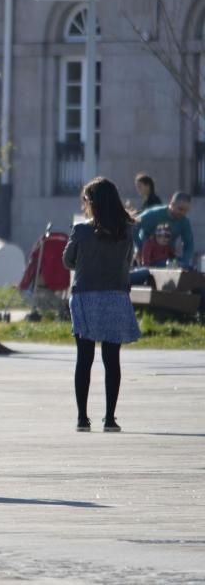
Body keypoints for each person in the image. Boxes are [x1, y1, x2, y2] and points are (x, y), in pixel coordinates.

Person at [63, 177, 141, 433]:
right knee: (112, 359)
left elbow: (68, 260)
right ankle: (110, 418)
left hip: (86, 295)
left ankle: (82, 419)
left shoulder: (82, 230)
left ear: (92, 202)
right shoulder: (126, 230)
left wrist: (86, 264)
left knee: (84, 358)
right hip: (116, 296)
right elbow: (128, 262)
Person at [133, 192, 194, 269]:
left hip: (166, 256)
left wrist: (185, 261)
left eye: (186, 211)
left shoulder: (184, 222)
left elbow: (189, 243)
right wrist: (139, 247)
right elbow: (133, 226)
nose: (183, 213)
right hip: (148, 256)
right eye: (180, 209)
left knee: (188, 268)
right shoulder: (153, 214)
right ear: (172, 204)